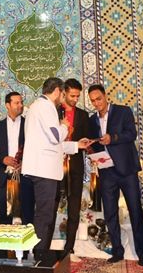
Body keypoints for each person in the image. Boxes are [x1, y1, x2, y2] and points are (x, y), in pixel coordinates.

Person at [22, 78, 91, 258]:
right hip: (44, 170)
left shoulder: (38, 106)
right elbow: (55, 136)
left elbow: (49, 143)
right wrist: (65, 126)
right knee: (44, 215)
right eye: (63, 93)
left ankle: (38, 252)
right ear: (57, 91)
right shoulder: (46, 107)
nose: (63, 98)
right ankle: (39, 255)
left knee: (43, 214)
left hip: (40, 167)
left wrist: (77, 145)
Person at [87, 84, 143, 265]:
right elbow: (95, 144)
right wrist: (91, 150)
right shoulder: (92, 120)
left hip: (127, 170)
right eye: (93, 101)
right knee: (110, 214)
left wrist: (112, 138)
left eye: (99, 99)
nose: (96, 103)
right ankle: (117, 251)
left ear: (106, 96)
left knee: (135, 211)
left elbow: (131, 134)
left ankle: (142, 253)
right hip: (106, 172)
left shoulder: (123, 111)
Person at [53, 78, 90, 257]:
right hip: (54, 166)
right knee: (51, 206)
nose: (75, 99)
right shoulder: (53, 111)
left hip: (75, 166)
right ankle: (44, 245)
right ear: (64, 93)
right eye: (72, 96)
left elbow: (86, 139)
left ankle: (69, 247)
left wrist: (86, 143)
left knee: (74, 208)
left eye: (77, 96)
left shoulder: (83, 115)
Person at [0, 91, 34, 225]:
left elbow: (35, 148)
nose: (21, 105)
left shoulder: (29, 125)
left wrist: (24, 162)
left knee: (26, 216)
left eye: (21, 102)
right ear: (7, 105)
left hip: (25, 176)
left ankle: (26, 239)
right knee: (4, 217)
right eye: (17, 103)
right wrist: (3, 159)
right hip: (3, 177)